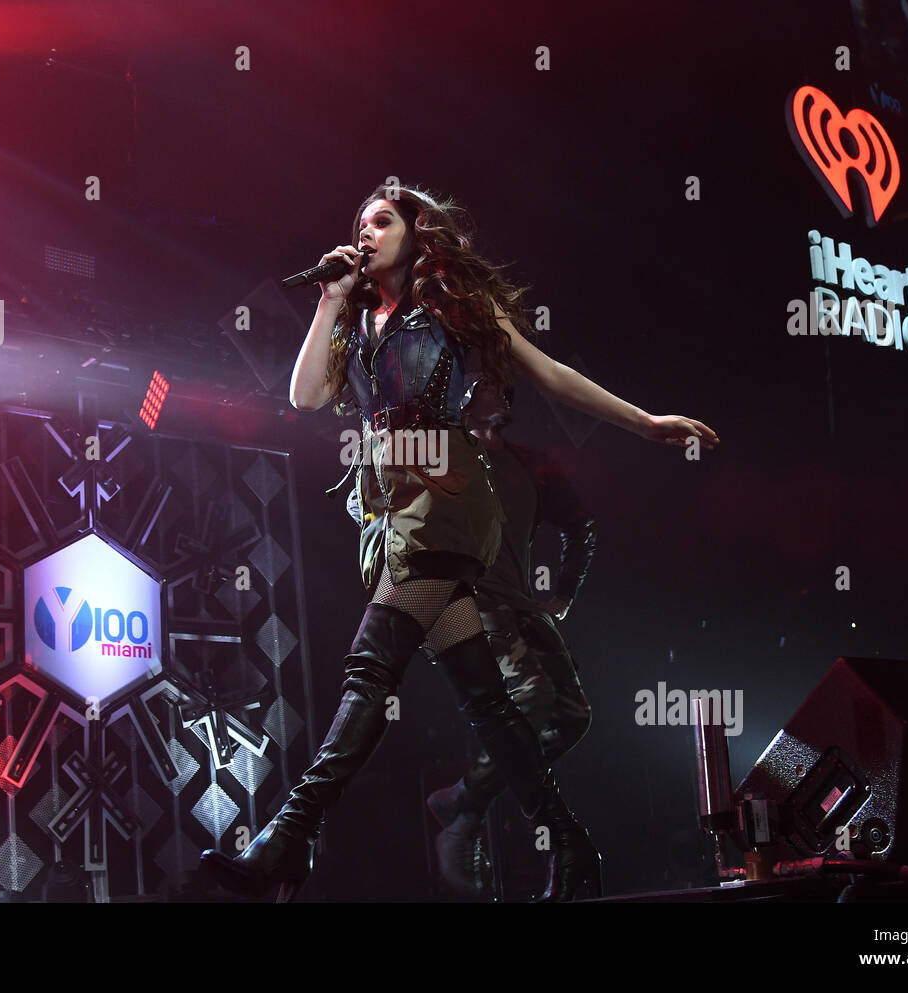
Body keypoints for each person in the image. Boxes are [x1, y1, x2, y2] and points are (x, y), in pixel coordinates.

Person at [200, 184, 718, 902]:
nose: (368, 231)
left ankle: (287, 836)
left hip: (444, 495)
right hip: (386, 506)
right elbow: (305, 398)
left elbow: (550, 372)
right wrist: (328, 299)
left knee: (368, 668)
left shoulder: (450, 306)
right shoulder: (356, 315)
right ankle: (573, 847)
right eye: (360, 224)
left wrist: (646, 422)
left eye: (383, 220)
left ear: (419, 233)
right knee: (487, 699)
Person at [348, 379, 598, 898]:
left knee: (572, 717)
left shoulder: (532, 464)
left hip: (521, 602)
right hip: (471, 602)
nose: (491, 395)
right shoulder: (440, 449)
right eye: (479, 384)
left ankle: (464, 799)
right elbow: (367, 502)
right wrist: (383, 522)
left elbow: (582, 525)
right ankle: (467, 817)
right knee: (530, 699)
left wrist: (566, 590)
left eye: (500, 389)